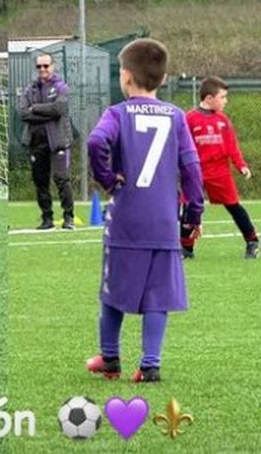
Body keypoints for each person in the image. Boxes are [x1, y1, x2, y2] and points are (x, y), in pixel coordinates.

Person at [86, 38, 204, 383]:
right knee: (158, 293)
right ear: (163, 78)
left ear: (125, 76)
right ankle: (150, 364)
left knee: (112, 289)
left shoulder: (117, 113)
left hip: (126, 219)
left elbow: (95, 142)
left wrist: (108, 178)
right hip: (164, 220)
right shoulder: (176, 116)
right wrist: (193, 215)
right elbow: (191, 169)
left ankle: (110, 358)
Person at [181, 76, 258, 260]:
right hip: (196, 172)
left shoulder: (223, 120)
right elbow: (182, 145)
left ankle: (252, 240)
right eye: (222, 97)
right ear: (209, 98)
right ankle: (186, 249)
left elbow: (232, 146)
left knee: (234, 206)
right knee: (189, 207)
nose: (225, 101)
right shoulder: (189, 119)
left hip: (220, 172)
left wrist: (241, 165)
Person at [18, 54, 74, 229]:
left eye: (45, 66)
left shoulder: (60, 86)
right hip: (36, 142)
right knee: (40, 181)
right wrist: (46, 114)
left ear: (53, 66)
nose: (42, 69)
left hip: (57, 141)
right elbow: (22, 112)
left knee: (61, 179)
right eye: (39, 66)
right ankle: (47, 219)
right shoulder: (30, 89)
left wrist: (35, 108)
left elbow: (59, 108)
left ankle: (68, 217)